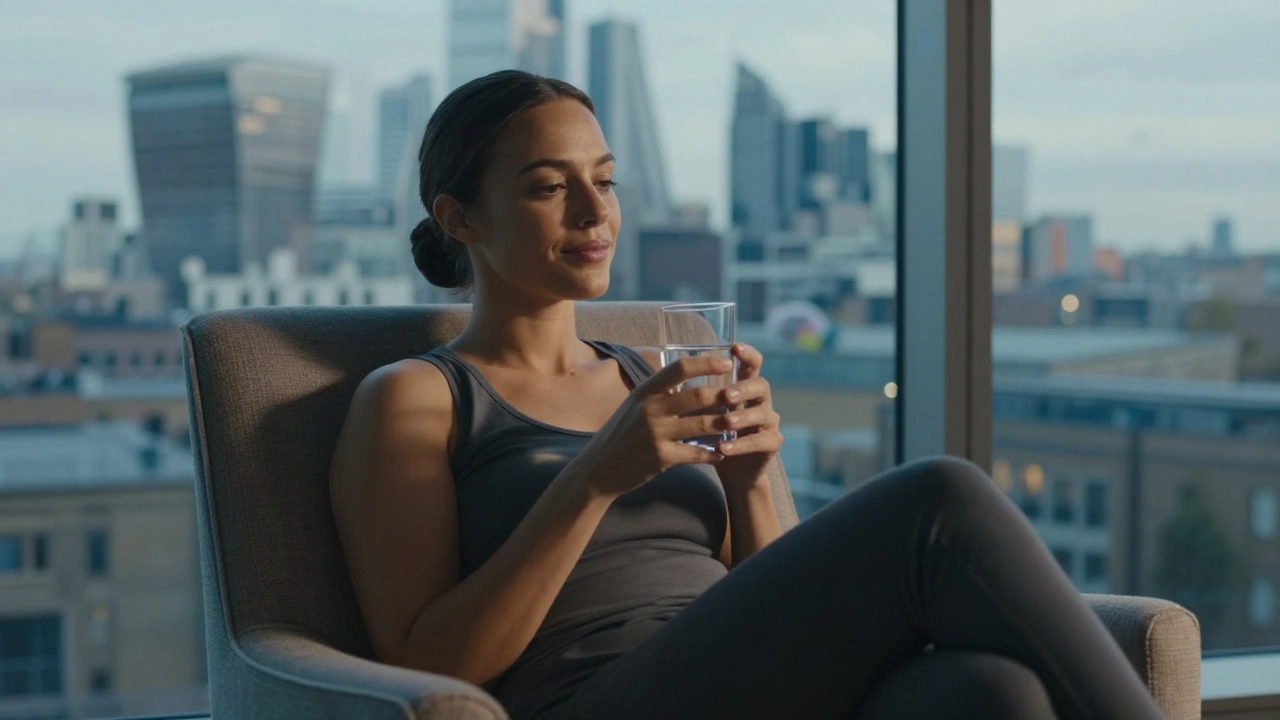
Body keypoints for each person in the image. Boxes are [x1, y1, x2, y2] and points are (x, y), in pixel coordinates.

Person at [328, 70, 1166, 720]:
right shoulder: (417, 399)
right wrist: (593, 478)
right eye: (550, 187)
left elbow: (766, 597)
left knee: (990, 692)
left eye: (607, 180)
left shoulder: (644, 376)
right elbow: (428, 665)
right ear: (460, 217)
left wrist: (752, 476)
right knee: (937, 499)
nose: (595, 211)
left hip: (738, 683)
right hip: (588, 700)